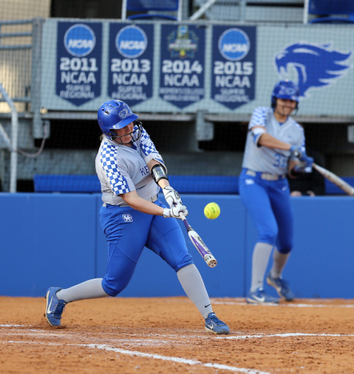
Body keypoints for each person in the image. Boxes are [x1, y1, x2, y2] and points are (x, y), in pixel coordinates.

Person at [44, 100, 229, 335]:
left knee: (182, 258)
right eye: (122, 127)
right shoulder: (108, 158)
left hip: (154, 204)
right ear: (109, 132)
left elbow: (154, 161)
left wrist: (166, 189)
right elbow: (131, 199)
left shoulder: (137, 132)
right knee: (114, 284)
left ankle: (209, 316)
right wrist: (166, 211)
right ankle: (59, 297)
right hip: (123, 215)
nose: (129, 129)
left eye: (130, 123)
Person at [239, 80, 314, 304]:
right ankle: (255, 290)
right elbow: (260, 138)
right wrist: (291, 149)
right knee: (268, 231)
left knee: (286, 242)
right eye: (283, 99)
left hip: (279, 184)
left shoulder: (297, 130)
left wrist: (300, 165)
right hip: (253, 179)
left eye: (292, 101)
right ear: (275, 100)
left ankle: (276, 277)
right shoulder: (261, 113)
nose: (287, 104)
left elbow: (293, 171)